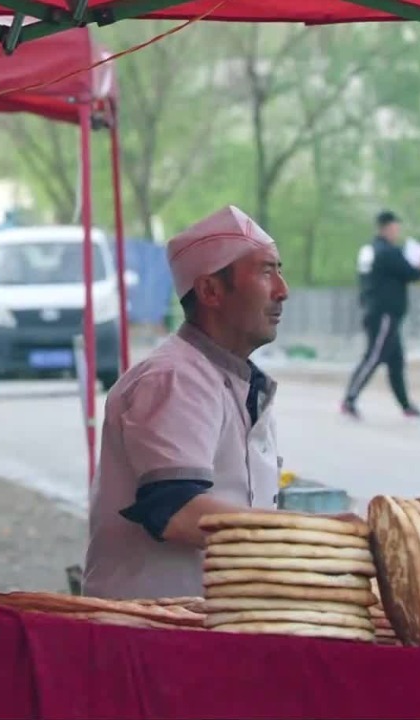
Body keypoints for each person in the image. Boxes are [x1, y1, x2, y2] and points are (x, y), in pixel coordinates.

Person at [84, 205, 350, 599]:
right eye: (265, 272)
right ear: (210, 291)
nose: (283, 289)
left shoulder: (233, 379)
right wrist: (312, 536)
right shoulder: (174, 379)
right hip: (155, 633)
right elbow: (177, 511)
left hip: (208, 627)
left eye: (279, 270)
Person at [341, 210, 420, 420]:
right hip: (384, 314)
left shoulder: (369, 250)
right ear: (388, 227)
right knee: (374, 356)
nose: (397, 231)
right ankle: (349, 399)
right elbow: (413, 273)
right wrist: (417, 264)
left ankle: (406, 405)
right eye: (396, 227)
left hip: (376, 310)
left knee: (396, 361)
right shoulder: (388, 252)